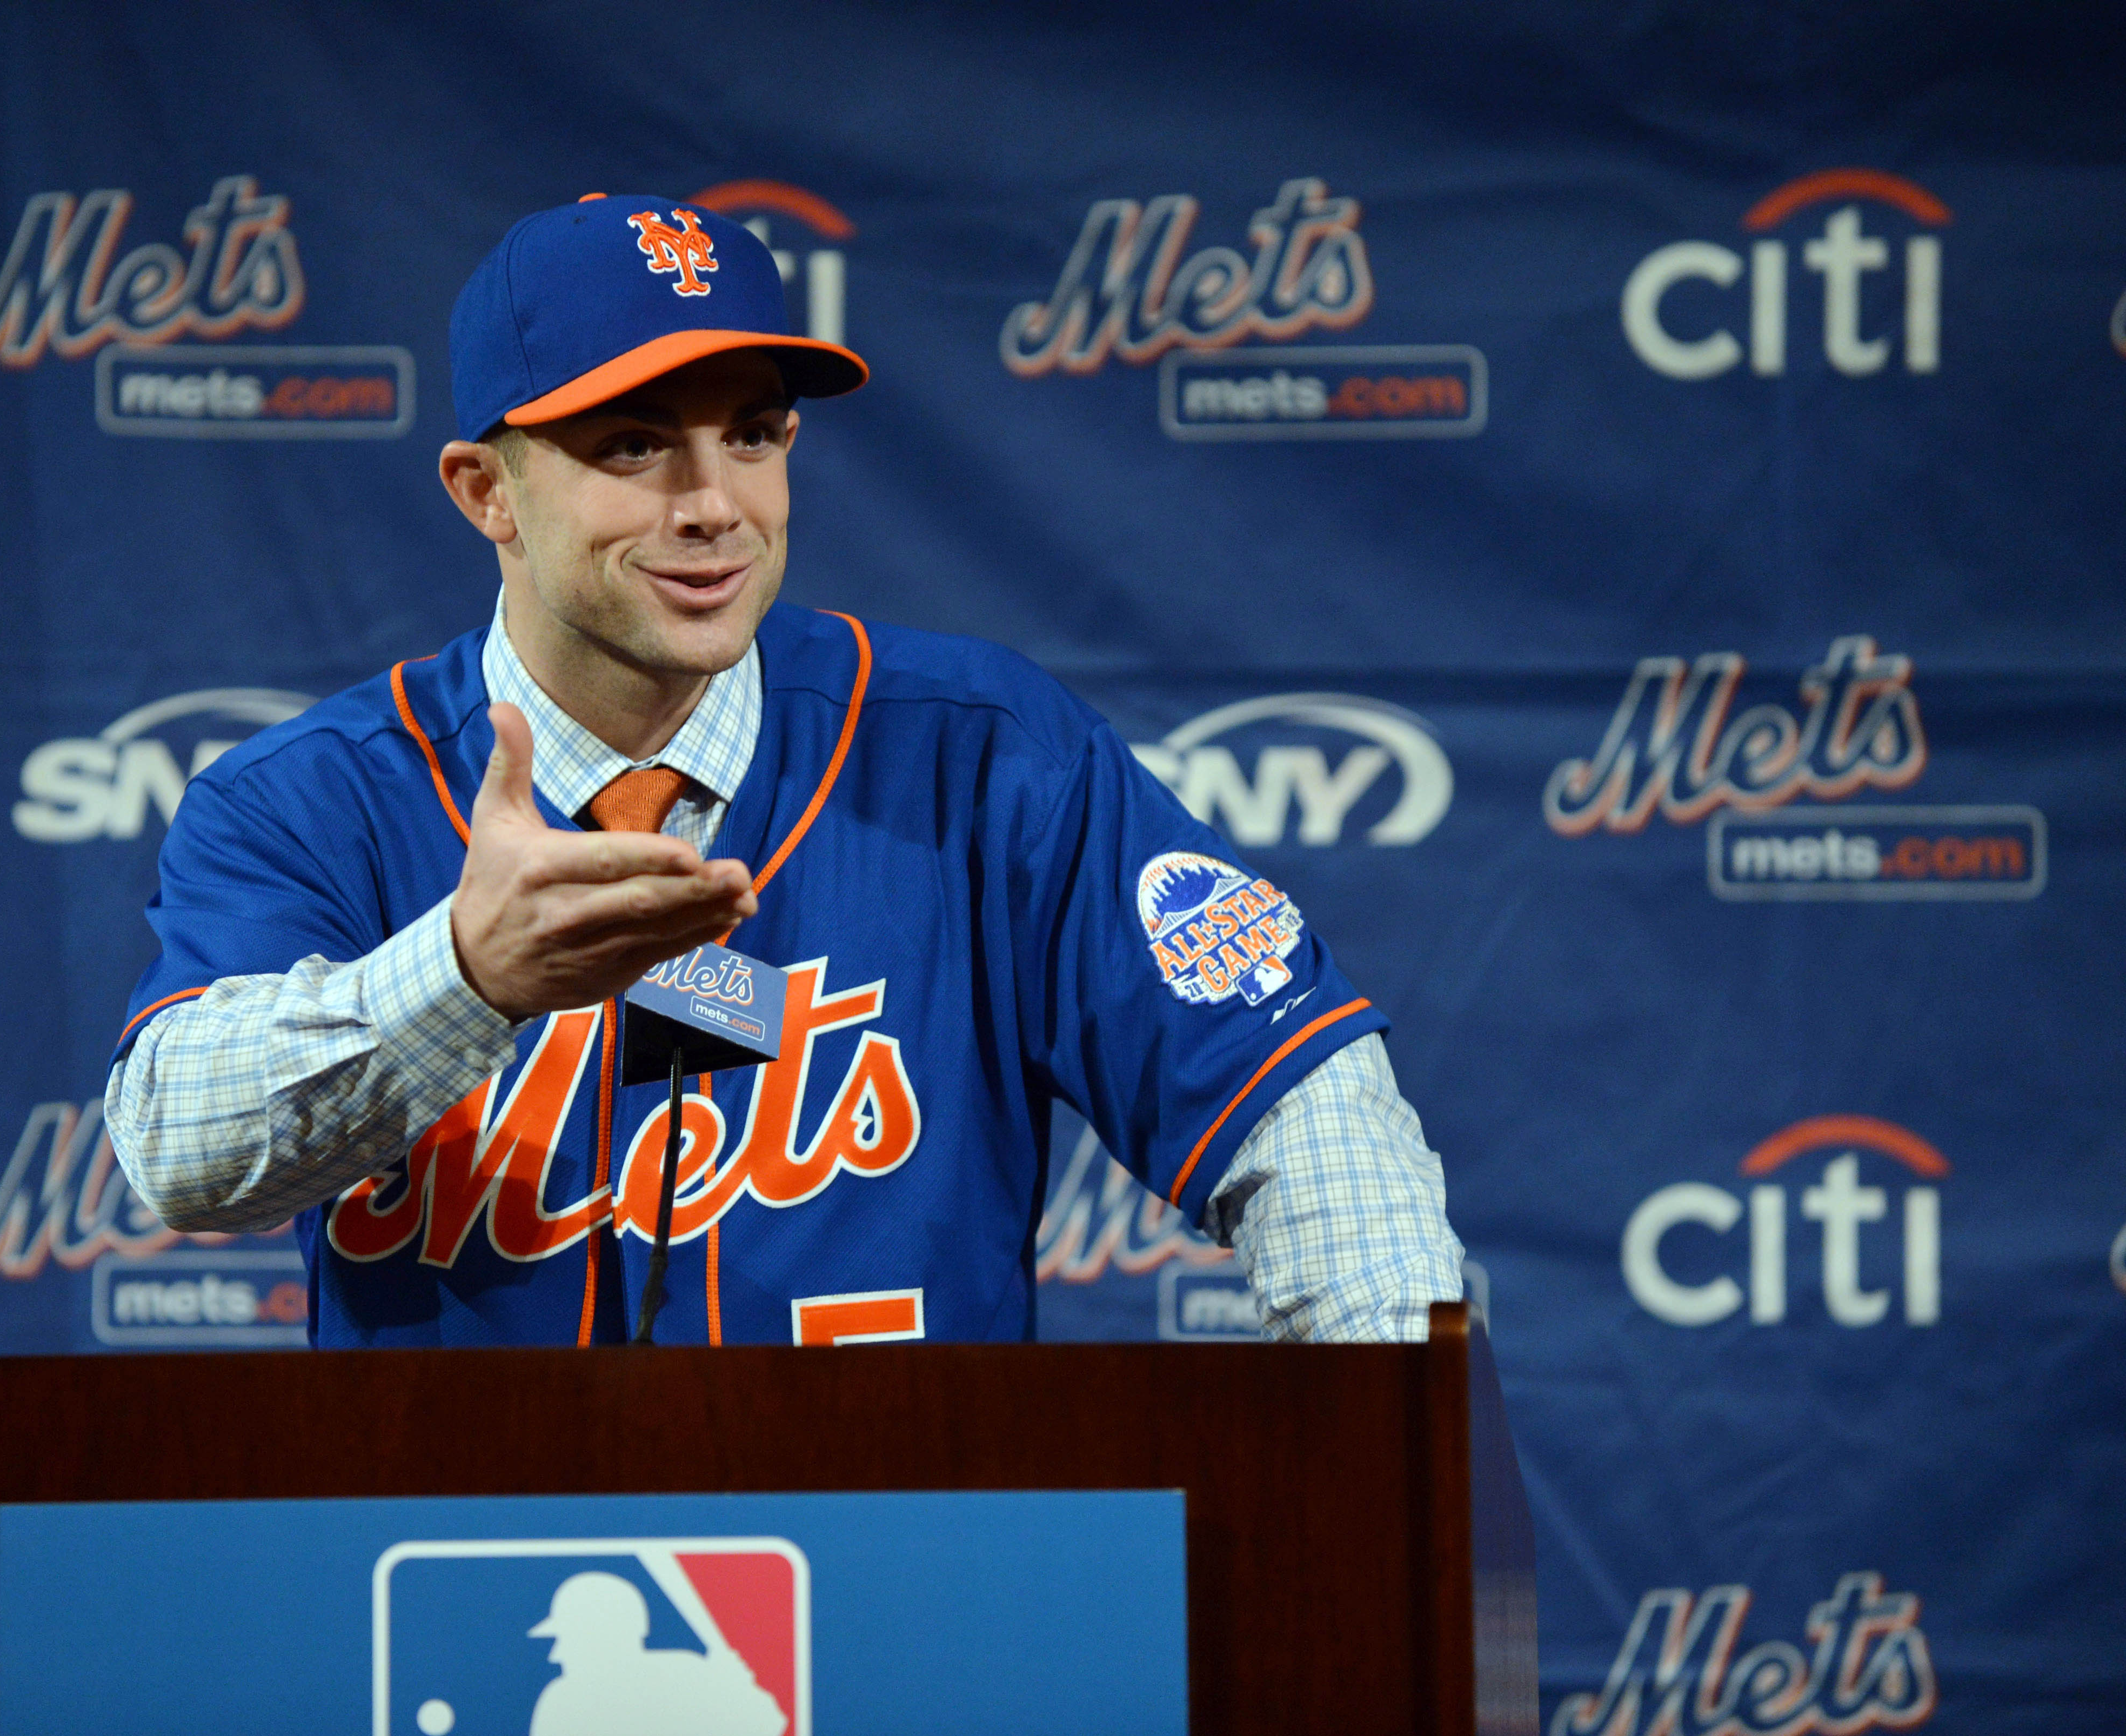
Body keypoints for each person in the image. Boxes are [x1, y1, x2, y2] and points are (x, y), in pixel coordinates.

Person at [105, 193, 1463, 1347]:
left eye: (750, 433)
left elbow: (1306, 1112)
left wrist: (1400, 1465)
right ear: (486, 490)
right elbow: (181, 1150)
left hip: (907, 1576)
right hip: (459, 1595)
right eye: (633, 443)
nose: (712, 503)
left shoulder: (983, 754)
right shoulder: (309, 798)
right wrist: (463, 975)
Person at [524, 1572, 784, 1736]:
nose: (556, 1655)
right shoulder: (563, 1700)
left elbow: (766, 1732)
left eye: (569, 1639)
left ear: (606, 1637)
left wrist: (737, 1690)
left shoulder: (689, 1673)